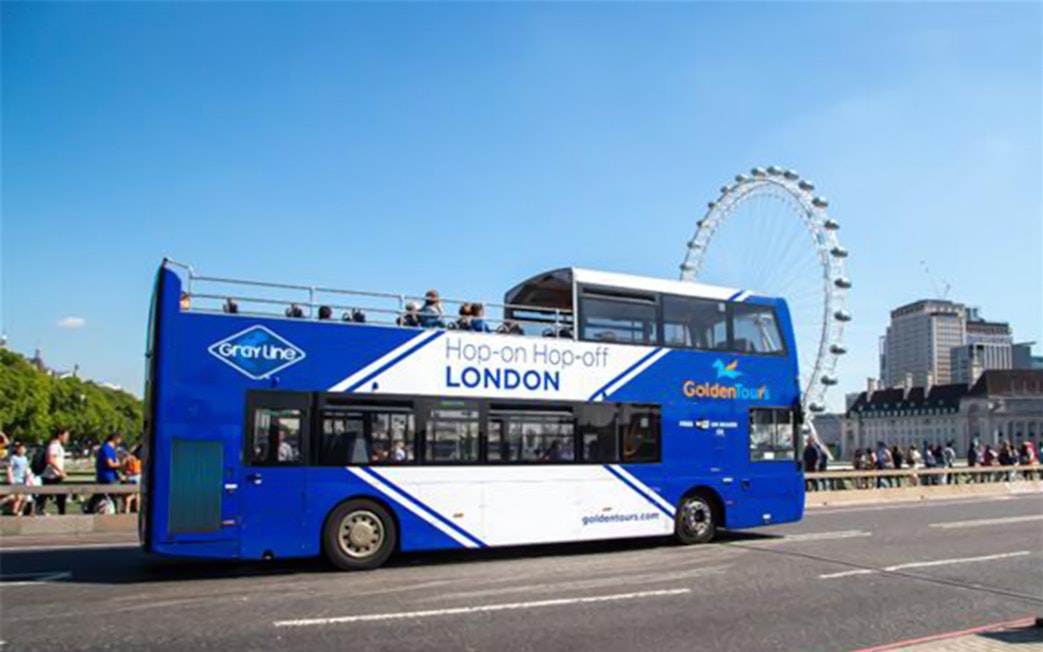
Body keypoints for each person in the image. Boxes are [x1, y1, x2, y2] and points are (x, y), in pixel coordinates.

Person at [36, 429, 70, 515]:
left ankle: (60, 513)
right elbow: (51, 459)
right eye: (66, 436)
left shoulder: (57, 446)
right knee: (46, 495)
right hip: (51, 475)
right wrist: (61, 471)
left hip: (54, 475)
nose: (67, 438)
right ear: (60, 435)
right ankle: (38, 511)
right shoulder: (54, 446)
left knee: (59, 495)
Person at [5, 442, 34, 517]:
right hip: (15, 480)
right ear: (17, 449)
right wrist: (10, 478)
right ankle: (15, 512)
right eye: (20, 448)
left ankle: (19, 511)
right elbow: (9, 468)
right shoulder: (14, 458)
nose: (22, 450)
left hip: (23, 481)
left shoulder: (25, 458)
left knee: (25, 498)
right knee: (18, 497)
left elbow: (26, 469)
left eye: (23, 448)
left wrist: (29, 477)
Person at [123, 444, 143, 514]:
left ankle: (127, 511)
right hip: (137, 476)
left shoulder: (129, 458)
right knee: (137, 495)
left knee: (129, 495)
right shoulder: (139, 458)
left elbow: (124, 466)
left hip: (129, 477)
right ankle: (138, 511)